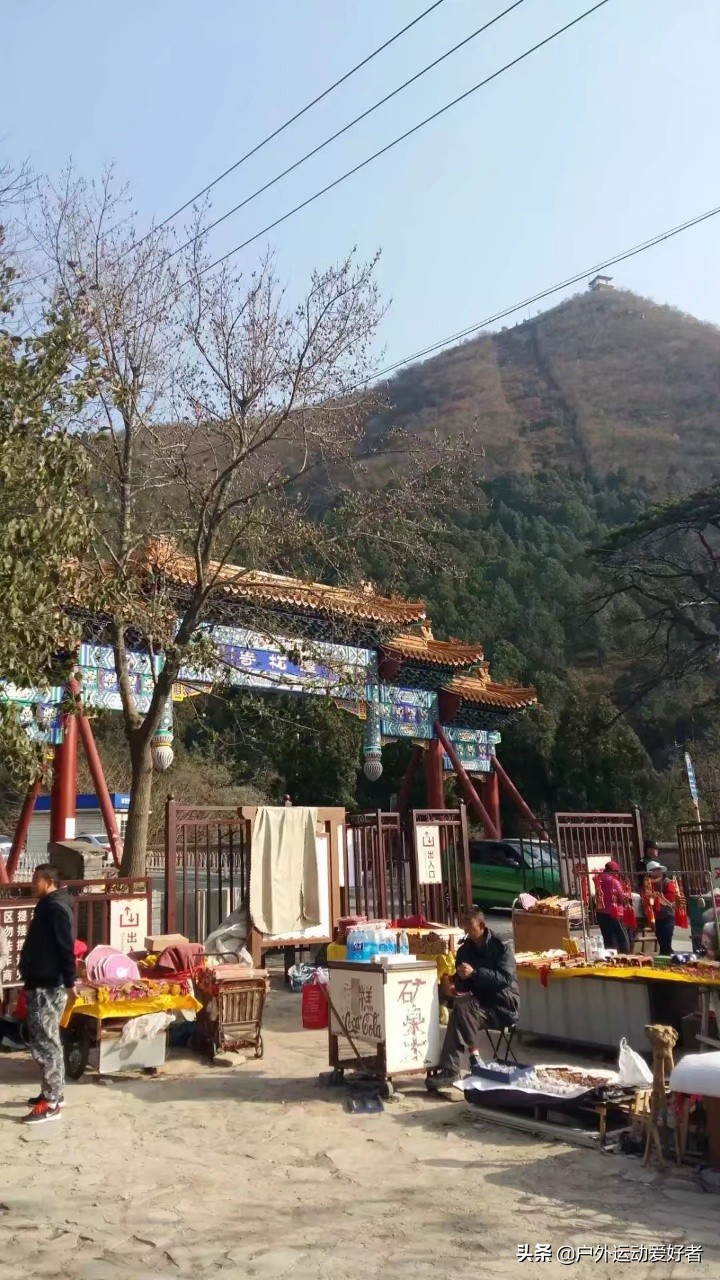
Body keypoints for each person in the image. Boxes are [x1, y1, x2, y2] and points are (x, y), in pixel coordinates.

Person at [429, 907, 519, 1091]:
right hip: (477, 1005)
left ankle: (458, 1065)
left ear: (482, 925)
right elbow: (464, 988)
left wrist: (475, 973)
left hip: (502, 1006)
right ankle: (465, 1061)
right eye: (464, 926)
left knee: (460, 1012)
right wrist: (457, 979)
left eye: (469, 926)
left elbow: (505, 979)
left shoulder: (500, 946)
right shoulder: (465, 950)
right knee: (461, 1009)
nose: (466, 931)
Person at [18, 864, 76, 1125]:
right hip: (41, 981)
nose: (32, 884)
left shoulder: (55, 908)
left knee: (47, 1043)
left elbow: (66, 947)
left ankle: (51, 1103)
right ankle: (53, 1092)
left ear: (48, 881)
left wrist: (70, 979)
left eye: (35, 879)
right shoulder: (48, 905)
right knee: (45, 1040)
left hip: (48, 985)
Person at [594, 861, 631, 954]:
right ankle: (625, 956)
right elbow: (621, 898)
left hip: (601, 913)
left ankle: (610, 957)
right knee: (622, 938)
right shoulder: (614, 881)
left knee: (608, 938)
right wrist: (627, 895)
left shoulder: (598, 880)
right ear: (613, 870)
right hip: (614, 913)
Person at [644, 860, 676, 957]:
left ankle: (668, 957)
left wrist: (659, 897)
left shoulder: (668, 883)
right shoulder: (648, 883)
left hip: (667, 915)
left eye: (658, 869)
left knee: (667, 937)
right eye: (654, 870)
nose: (657, 871)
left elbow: (670, 899)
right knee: (660, 939)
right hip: (656, 917)